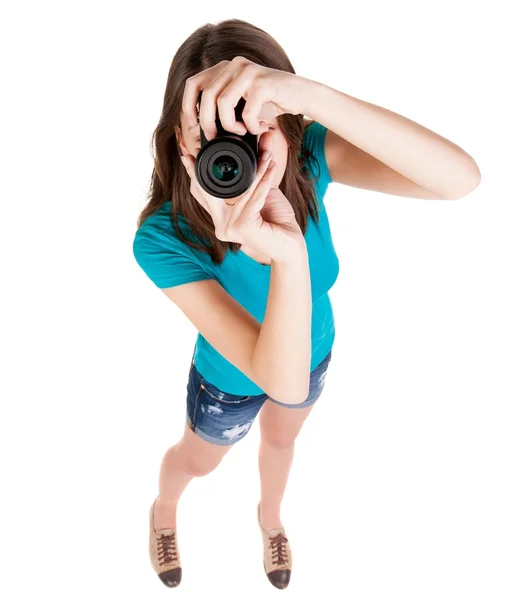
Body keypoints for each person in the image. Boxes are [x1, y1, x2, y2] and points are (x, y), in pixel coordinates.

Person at [133, 17, 480, 592]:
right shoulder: (162, 239)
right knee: (197, 462)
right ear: (182, 138)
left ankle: (270, 522)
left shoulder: (310, 158)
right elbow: (274, 377)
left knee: (282, 442)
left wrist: (307, 96)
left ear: (289, 126)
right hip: (229, 380)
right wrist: (287, 256)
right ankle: (164, 510)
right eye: (215, 130)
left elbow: (459, 179)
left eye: (252, 124)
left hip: (315, 351)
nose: (235, 150)